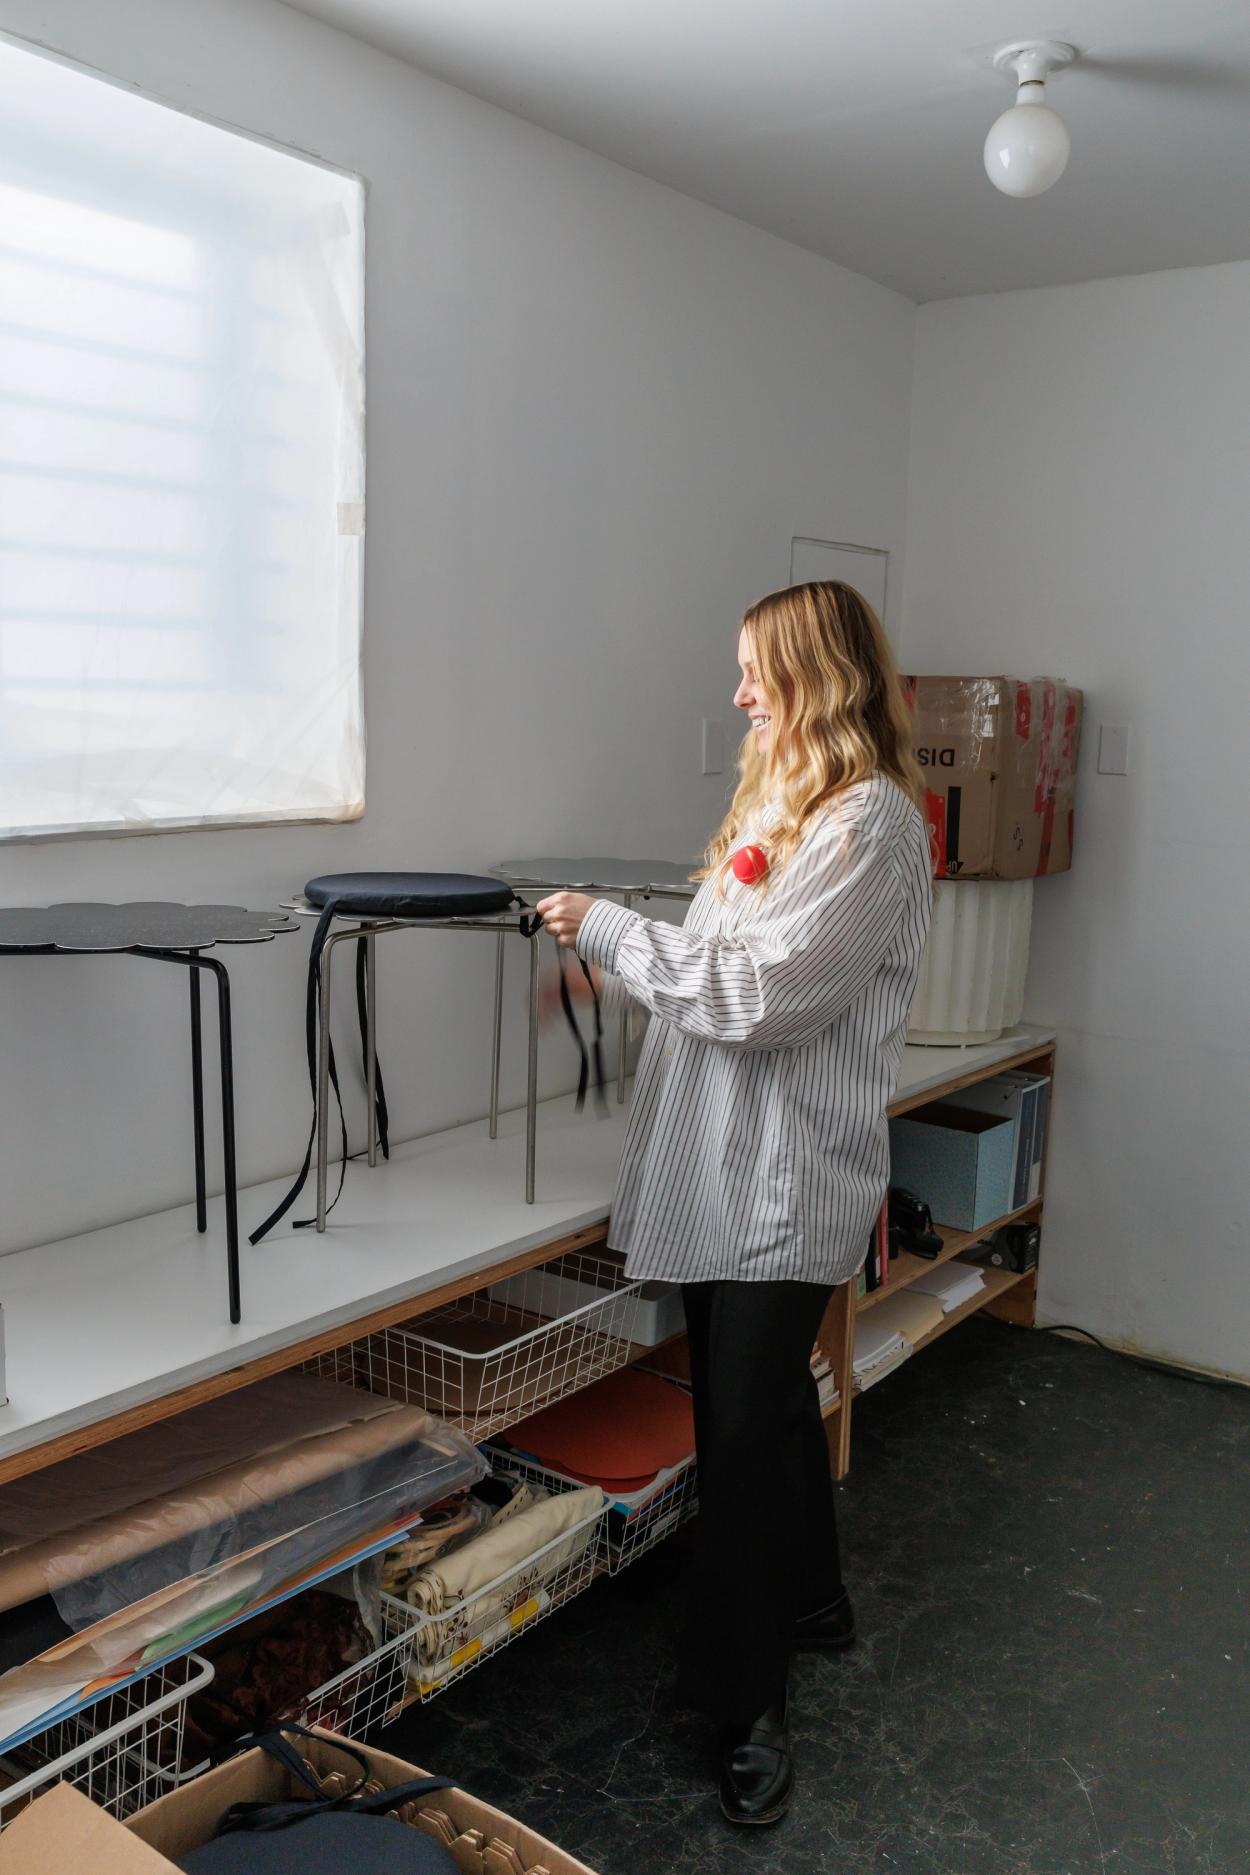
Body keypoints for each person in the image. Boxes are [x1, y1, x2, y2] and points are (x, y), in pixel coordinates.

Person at [538, 580, 932, 1826]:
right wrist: (615, 968)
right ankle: (811, 1603)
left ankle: (744, 1703)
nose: (740, 692)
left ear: (816, 676)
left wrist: (611, 934)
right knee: (755, 1411)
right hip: (723, 1167)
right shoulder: (783, 803)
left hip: (782, 1179)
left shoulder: (869, 826)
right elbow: (720, 962)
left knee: (743, 1436)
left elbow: (761, 997)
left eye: (758, 670)